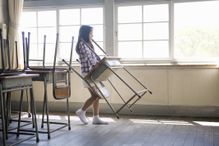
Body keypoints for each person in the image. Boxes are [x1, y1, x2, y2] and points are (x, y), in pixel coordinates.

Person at [75, 25, 108, 125]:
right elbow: (90, 58)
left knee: (96, 96)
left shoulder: (89, 44)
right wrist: (96, 64)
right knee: (96, 95)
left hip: (93, 72)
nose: (92, 35)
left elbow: (94, 57)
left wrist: (101, 61)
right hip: (87, 73)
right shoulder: (82, 44)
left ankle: (96, 117)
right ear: (86, 33)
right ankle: (81, 111)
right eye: (91, 33)